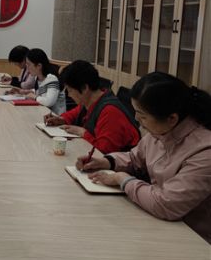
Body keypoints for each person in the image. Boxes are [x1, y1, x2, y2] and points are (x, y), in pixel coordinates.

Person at [77, 72, 211, 243]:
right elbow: (134, 158)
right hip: (159, 222)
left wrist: (123, 179)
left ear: (172, 118)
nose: (136, 119)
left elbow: (166, 204)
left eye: (142, 115)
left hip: (194, 239)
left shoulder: (204, 151)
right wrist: (106, 162)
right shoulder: (160, 132)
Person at [44, 60, 139, 153]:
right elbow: (73, 114)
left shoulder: (110, 111)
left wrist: (83, 132)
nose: (68, 94)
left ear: (85, 88)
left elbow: (103, 151)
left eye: (70, 90)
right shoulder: (88, 102)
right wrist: (61, 120)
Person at [18, 48, 66, 114]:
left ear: (39, 66)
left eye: (29, 64)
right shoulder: (37, 78)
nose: (27, 68)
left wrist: (34, 97)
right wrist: (30, 91)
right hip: (43, 112)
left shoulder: (52, 79)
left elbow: (49, 102)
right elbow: (44, 91)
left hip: (55, 116)